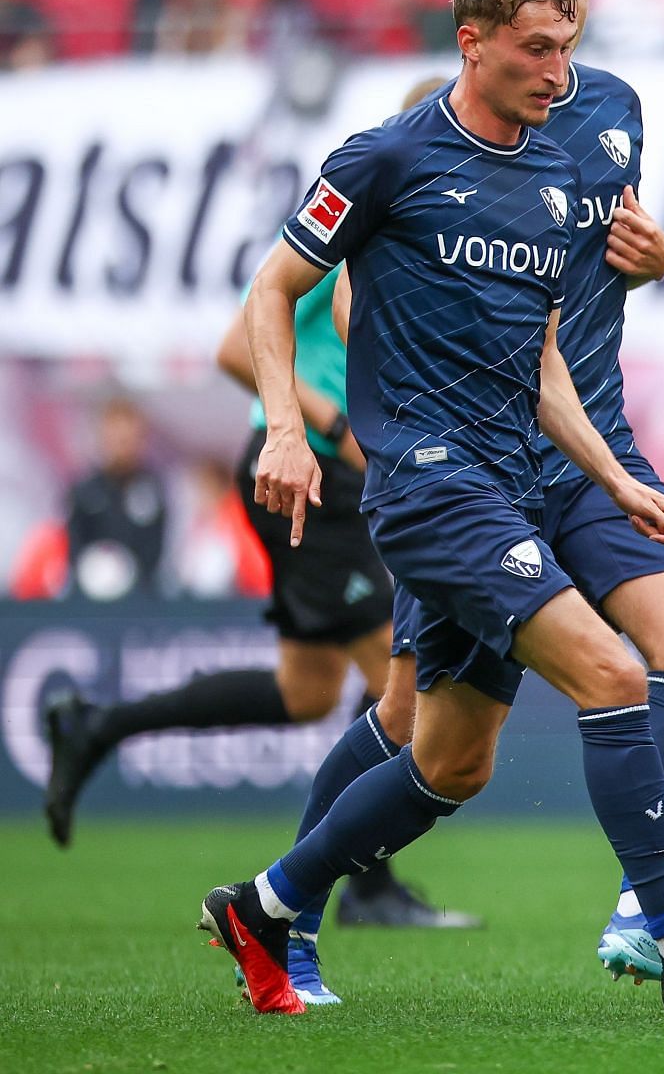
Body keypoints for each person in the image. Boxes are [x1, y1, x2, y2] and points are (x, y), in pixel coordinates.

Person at [198, 0, 664, 1018]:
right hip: (432, 485)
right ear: (472, 41)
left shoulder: (556, 178)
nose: (557, 71)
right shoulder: (384, 159)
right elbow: (271, 287)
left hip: (520, 481)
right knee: (612, 673)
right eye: (536, 49)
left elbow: (539, 366)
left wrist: (613, 480)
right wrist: (287, 430)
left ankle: (267, 901)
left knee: (450, 760)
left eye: (568, 46)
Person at [292, 0, 664, 1004]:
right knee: (421, 731)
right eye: (544, 15)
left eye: (576, 12)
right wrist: (370, 397)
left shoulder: (616, 112)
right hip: (462, 459)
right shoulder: (433, 131)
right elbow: (361, 278)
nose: (564, 37)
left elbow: (586, 274)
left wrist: (656, 261)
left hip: (582, 435)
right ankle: (286, 903)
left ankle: (652, 908)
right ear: (491, 13)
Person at [40, 84, 477, 937]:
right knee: (399, 684)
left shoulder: (429, 236)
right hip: (304, 475)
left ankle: (100, 724)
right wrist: (332, 425)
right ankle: (354, 886)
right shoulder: (364, 216)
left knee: (307, 689)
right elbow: (237, 343)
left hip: (324, 480)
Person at [62, 395, 167, 601]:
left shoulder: (152, 490)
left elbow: (155, 548)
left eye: (128, 440)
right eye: (117, 439)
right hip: (88, 595)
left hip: (141, 596)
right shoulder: (84, 491)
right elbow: (73, 546)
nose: (122, 448)